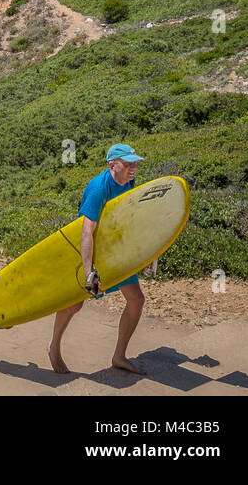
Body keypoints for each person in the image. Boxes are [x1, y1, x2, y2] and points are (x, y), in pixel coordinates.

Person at [49, 143, 153, 375]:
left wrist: (147, 252)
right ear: (112, 165)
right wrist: (90, 273)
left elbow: (131, 219)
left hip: (116, 252)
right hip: (92, 252)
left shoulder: (129, 183)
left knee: (136, 300)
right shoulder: (98, 189)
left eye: (135, 163)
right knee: (74, 304)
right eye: (127, 164)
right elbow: (87, 232)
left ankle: (119, 356)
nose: (133, 168)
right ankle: (54, 348)